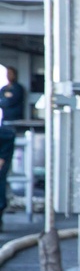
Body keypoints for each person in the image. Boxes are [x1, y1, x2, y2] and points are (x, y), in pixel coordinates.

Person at [0, 66, 26, 230]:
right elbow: (4, 101)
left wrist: (2, 157)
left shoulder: (18, 89)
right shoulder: (4, 89)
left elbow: (9, 101)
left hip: (14, 124)